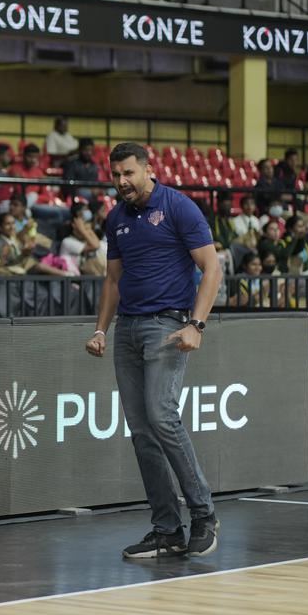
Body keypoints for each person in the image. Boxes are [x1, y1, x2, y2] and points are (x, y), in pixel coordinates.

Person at [85, 141, 222, 559]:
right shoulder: (116, 219)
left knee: (162, 417)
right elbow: (112, 280)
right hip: (126, 328)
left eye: (129, 173)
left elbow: (212, 267)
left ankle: (203, 516)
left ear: (148, 169)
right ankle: (167, 529)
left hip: (167, 325)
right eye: (116, 175)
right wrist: (100, 330)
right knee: (142, 432)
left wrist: (196, 324)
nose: (122, 182)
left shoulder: (178, 207)